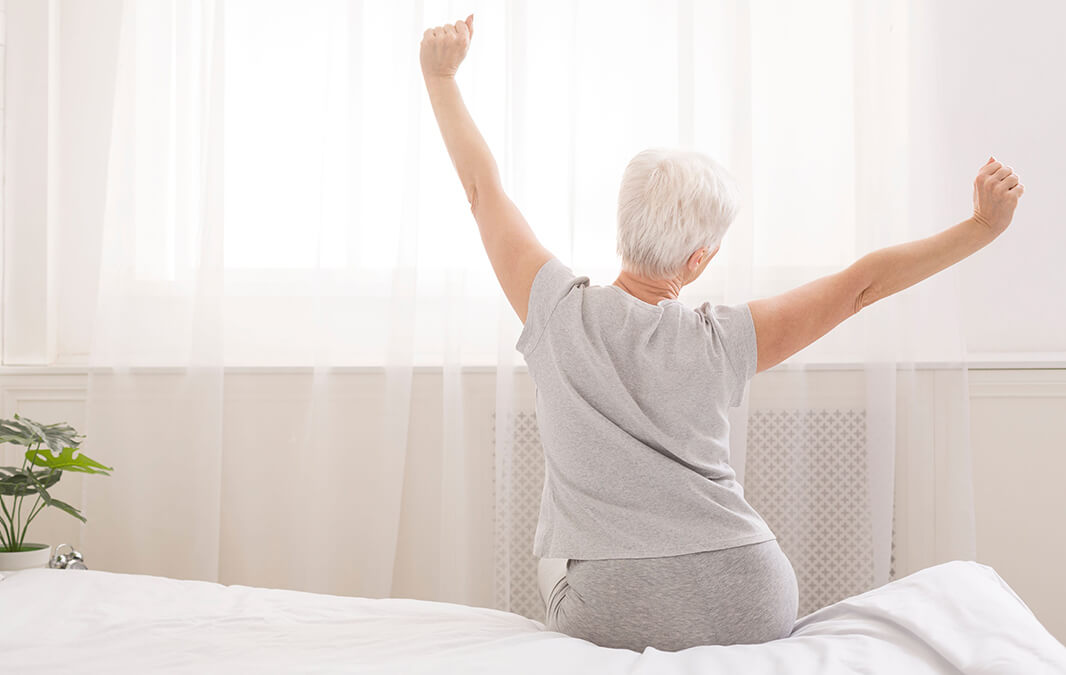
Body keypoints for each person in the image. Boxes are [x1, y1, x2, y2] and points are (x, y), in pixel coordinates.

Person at [420, 15, 1024, 652]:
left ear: (622, 224)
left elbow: (482, 190)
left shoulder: (556, 311)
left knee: (553, 551)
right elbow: (859, 286)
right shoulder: (724, 339)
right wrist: (981, 228)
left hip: (615, 606)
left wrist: (441, 79)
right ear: (698, 260)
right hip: (751, 593)